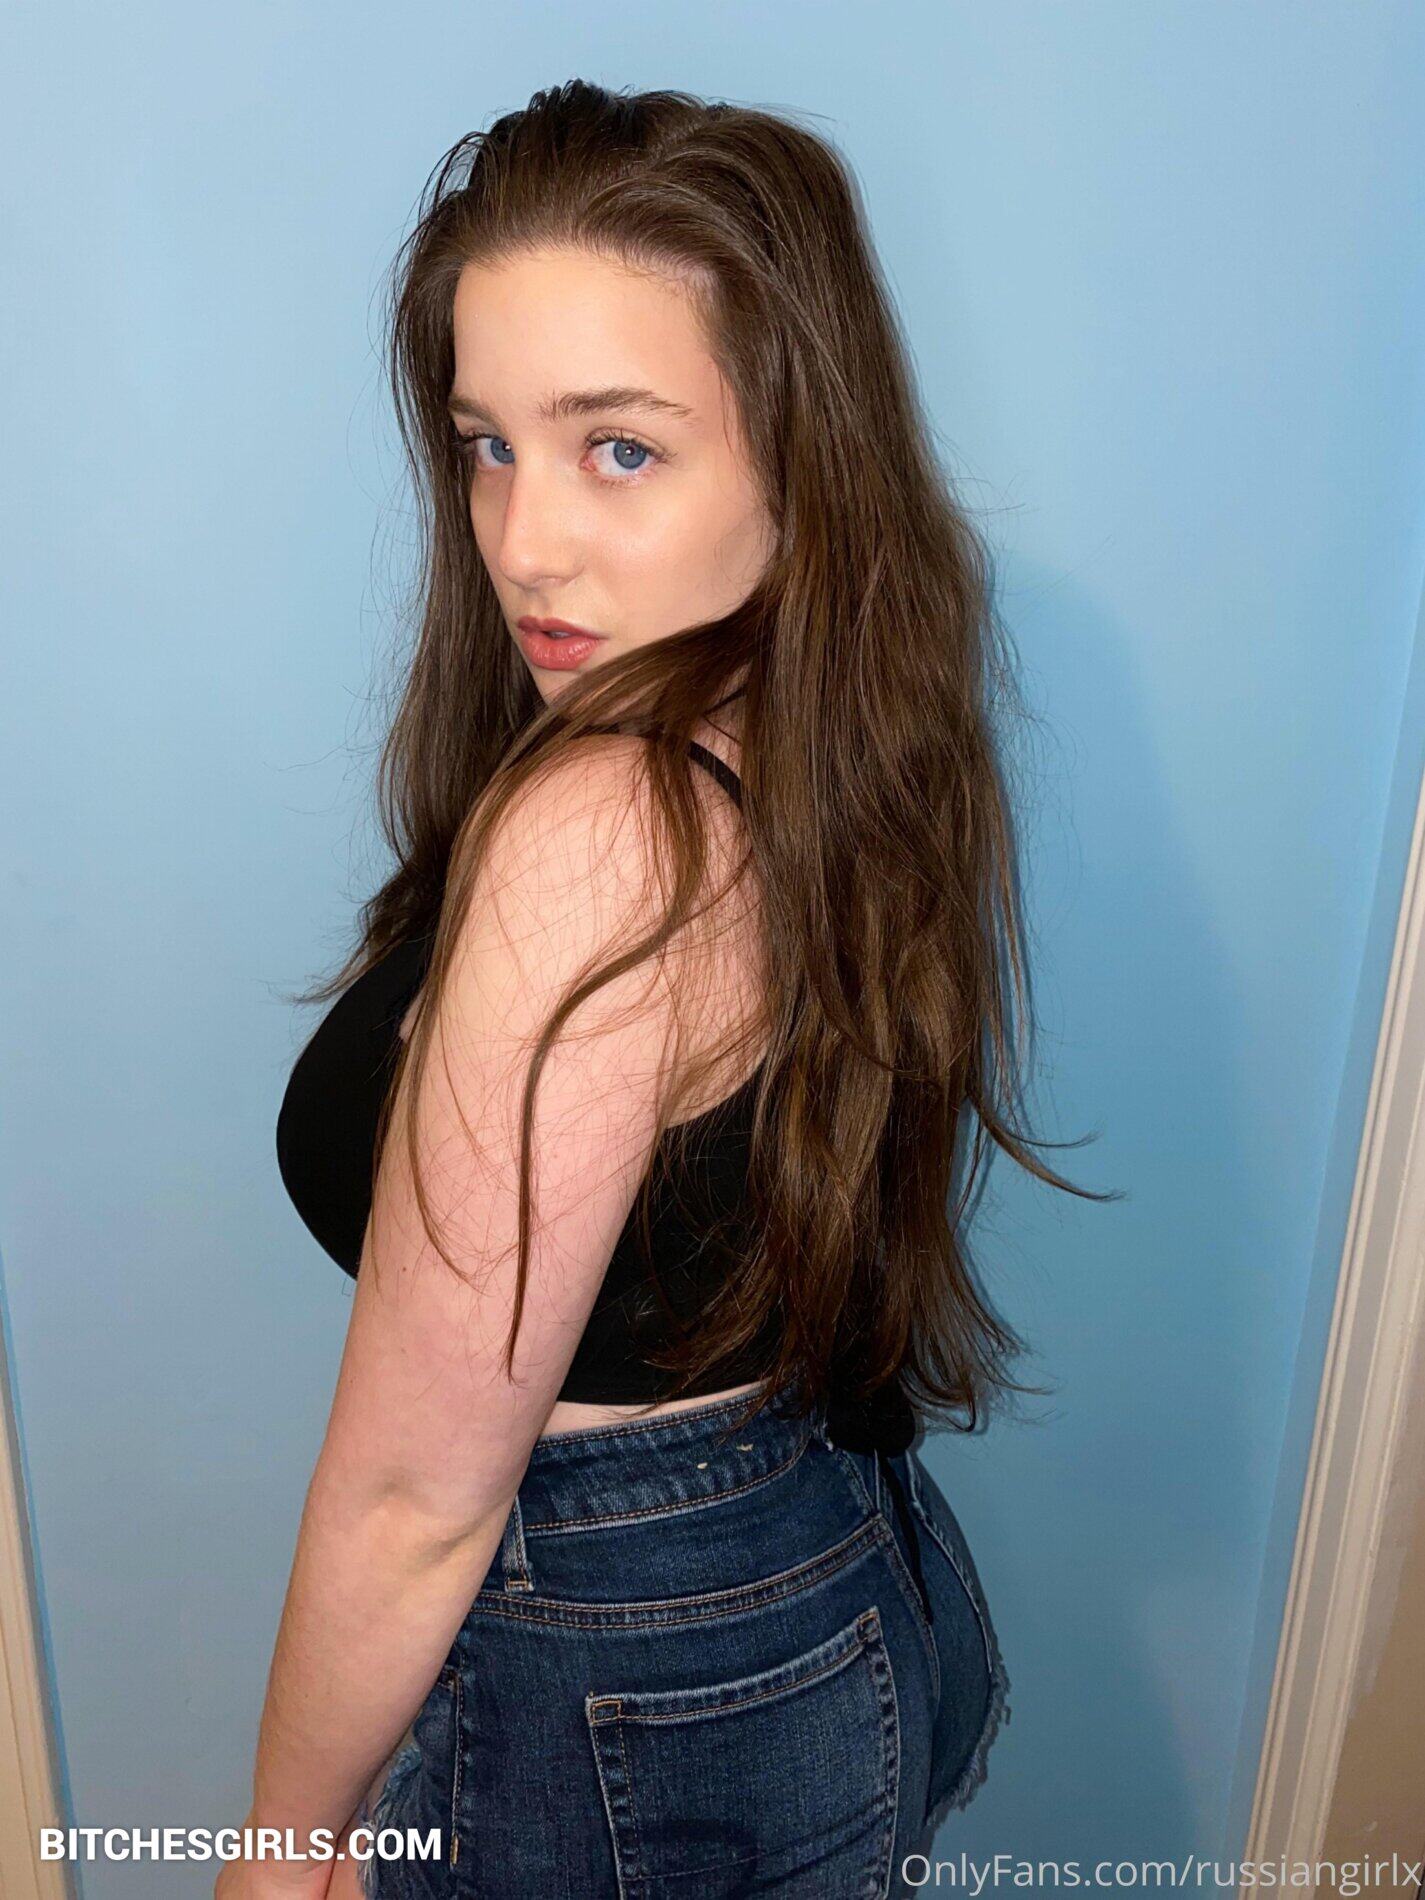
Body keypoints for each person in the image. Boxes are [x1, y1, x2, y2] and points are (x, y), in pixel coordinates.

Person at [222, 80, 1107, 1900]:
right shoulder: (827, 725)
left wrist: (274, 1851)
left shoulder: (606, 832)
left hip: (635, 1672)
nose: (522, 540)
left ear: (797, 453)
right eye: (486, 445)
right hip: (819, 1561)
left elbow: (416, 1500)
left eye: (617, 448)